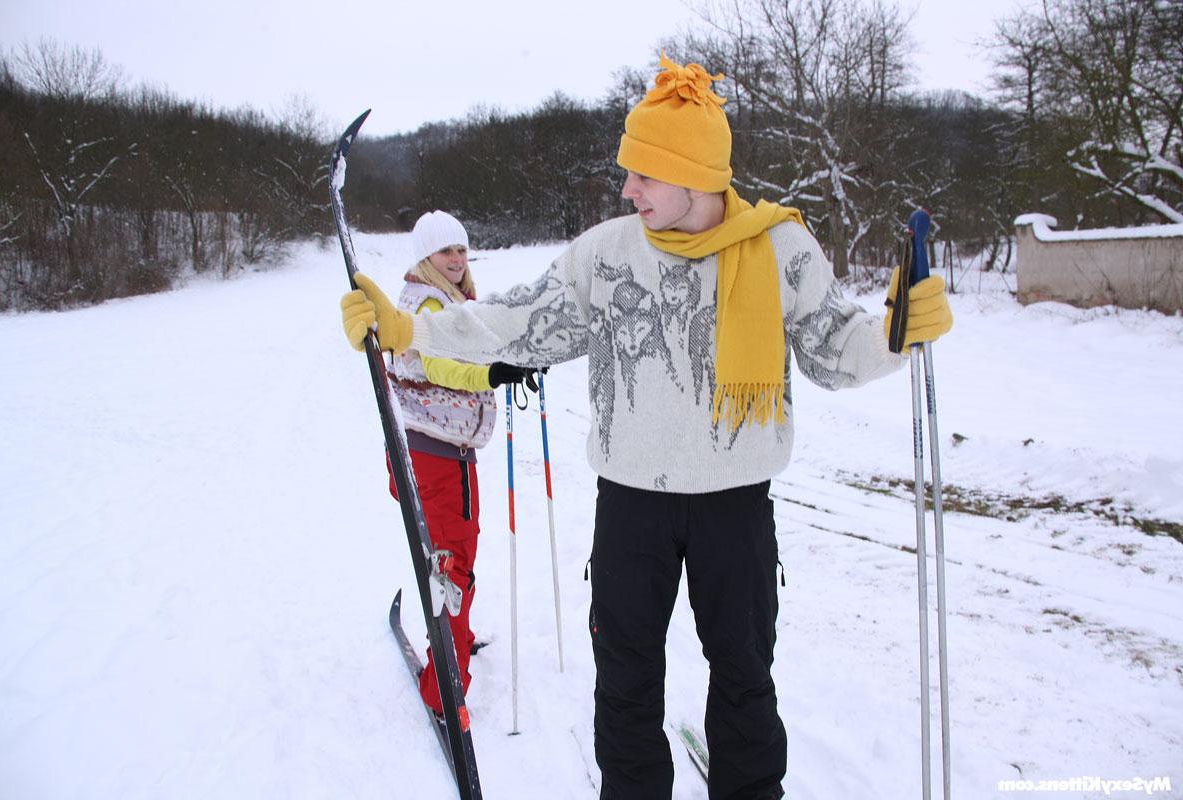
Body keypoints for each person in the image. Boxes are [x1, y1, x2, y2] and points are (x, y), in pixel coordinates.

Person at [340, 55, 951, 800]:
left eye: (644, 174)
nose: (627, 189)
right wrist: (410, 328)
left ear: (696, 176)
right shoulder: (607, 254)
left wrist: (897, 334)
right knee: (625, 682)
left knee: (745, 677)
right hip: (632, 507)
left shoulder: (780, 249)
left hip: (736, 505)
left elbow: (835, 350)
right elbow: (517, 325)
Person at [344, 209, 538, 718]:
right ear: (425, 257)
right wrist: (492, 374)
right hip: (437, 458)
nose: (456, 259)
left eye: (460, 249)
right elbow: (439, 366)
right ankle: (445, 690)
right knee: (453, 567)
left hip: (435, 452)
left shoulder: (445, 298)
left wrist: (514, 353)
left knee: (453, 559)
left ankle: (455, 642)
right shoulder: (427, 304)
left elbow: (478, 339)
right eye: (445, 251)